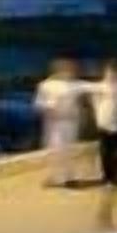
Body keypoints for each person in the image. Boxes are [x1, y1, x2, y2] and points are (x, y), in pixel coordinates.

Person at [34, 56, 87, 188]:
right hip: (53, 123)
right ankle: (56, 178)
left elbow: (95, 87)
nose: (68, 72)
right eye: (65, 69)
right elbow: (38, 103)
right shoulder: (45, 85)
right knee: (54, 151)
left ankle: (70, 178)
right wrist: (48, 107)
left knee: (69, 151)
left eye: (70, 69)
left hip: (70, 122)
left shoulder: (74, 85)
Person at [84, 59, 117, 187]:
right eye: (109, 72)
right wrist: (98, 117)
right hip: (104, 124)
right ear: (105, 73)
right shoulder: (99, 87)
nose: (112, 75)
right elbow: (93, 102)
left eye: (115, 72)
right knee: (105, 152)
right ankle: (107, 177)